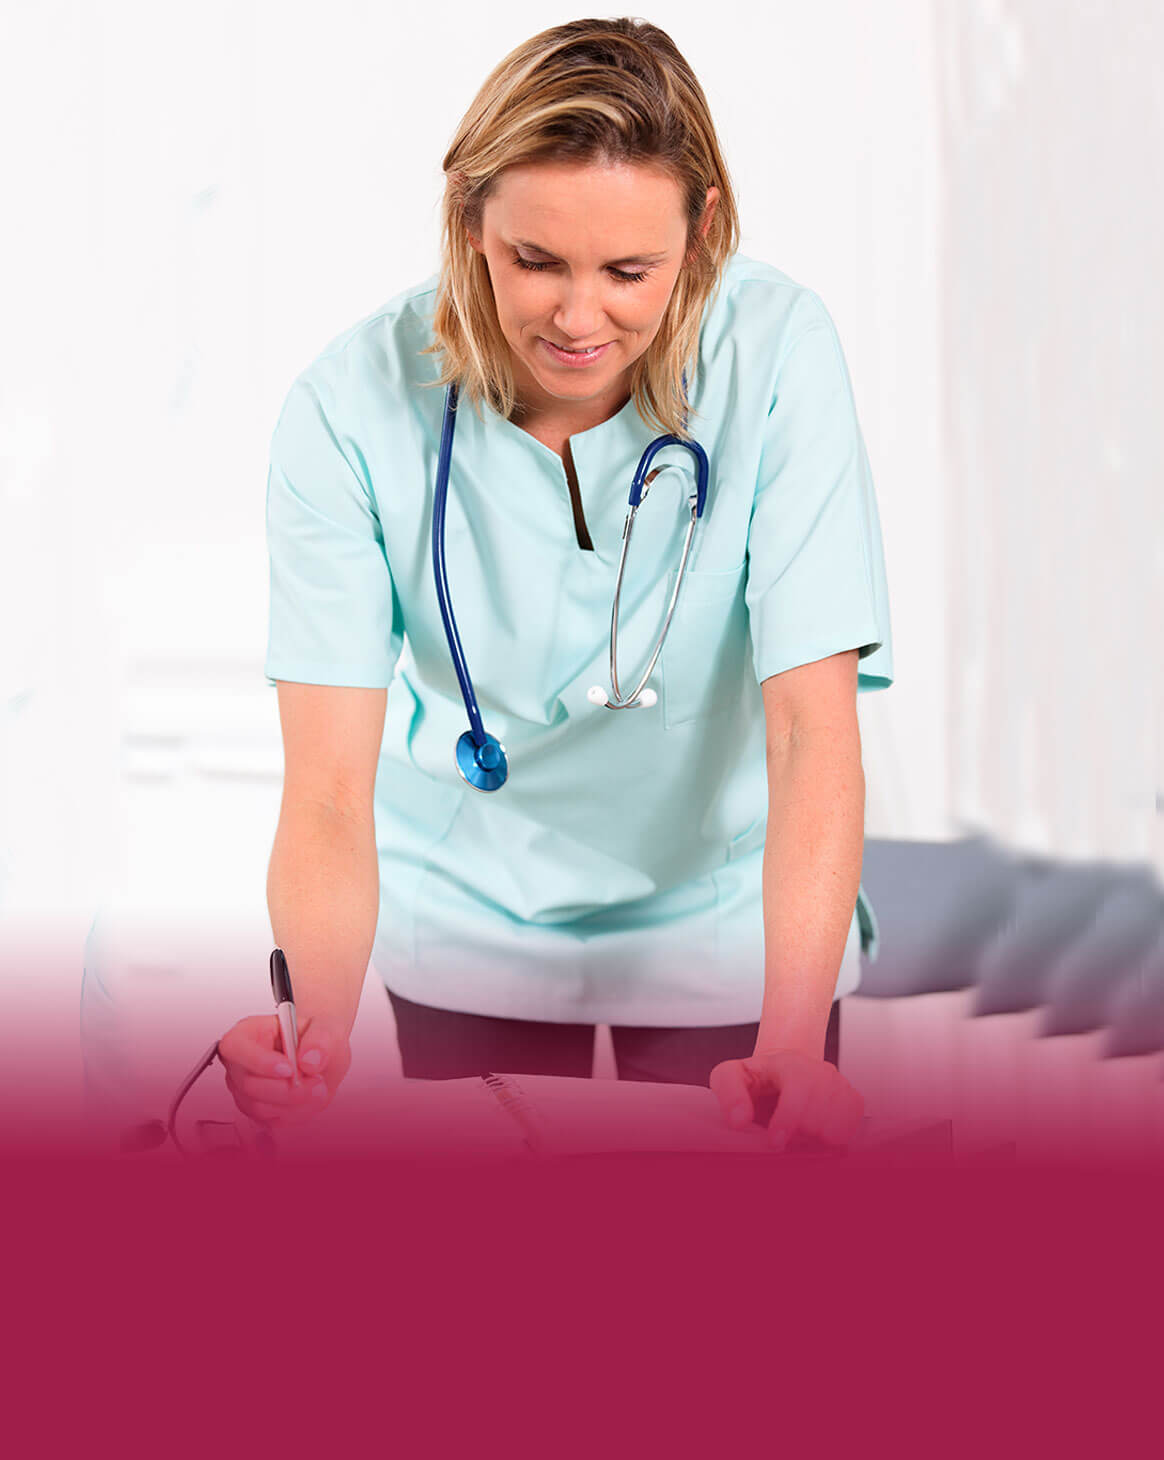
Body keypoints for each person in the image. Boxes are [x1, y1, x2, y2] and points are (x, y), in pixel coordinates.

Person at [219, 17, 894, 1153]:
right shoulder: (348, 408)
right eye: (535, 261)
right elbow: (328, 789)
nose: (579, 320)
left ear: (703, 230)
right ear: (468, 221)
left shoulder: (777, 353)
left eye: (630, 271)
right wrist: (310, 1035)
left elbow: (808, 732)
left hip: (728, 917)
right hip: (469, 914)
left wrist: (790, 1046)